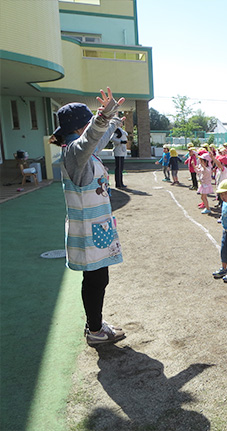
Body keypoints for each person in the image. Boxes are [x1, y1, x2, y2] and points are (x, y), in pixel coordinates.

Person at [50, 87, 126, 346]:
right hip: (88, 232)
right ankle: (95, 330)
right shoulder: (74, 152)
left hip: (96, 229)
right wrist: (102, 119)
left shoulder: (83, 151)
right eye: (90, 126)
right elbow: (90, 139)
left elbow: (97, 139)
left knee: (97, 278)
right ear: (82, 128)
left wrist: (113, 117)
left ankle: (94, 323)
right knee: (96, 280)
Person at [111, 123, 128, 188]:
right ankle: (118, 183)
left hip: (122, 151)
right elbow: (112, 139)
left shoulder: (121, 130)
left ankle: (121, 182)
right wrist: (121, 141)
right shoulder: (117, 130)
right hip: (118, 151)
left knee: (121, 169)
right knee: (118, 168)